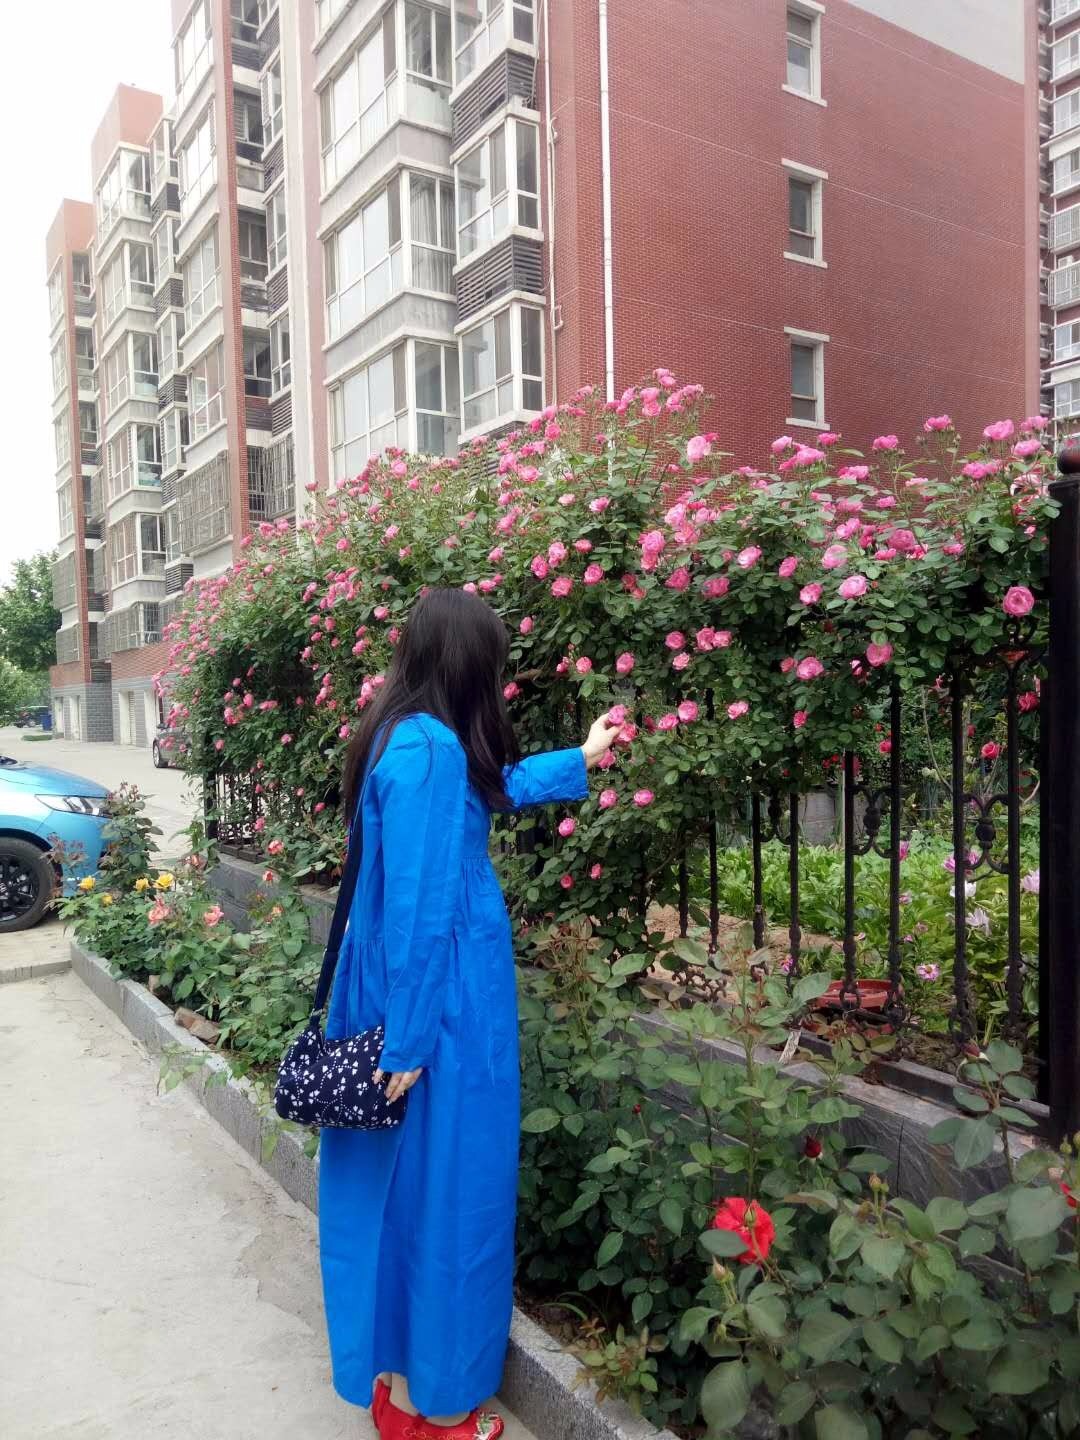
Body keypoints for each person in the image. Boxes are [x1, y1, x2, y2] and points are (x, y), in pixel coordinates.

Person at [320, 587, 620, 1440]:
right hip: (438, 1010)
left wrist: (582, 755)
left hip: (414, 998)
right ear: (469, 662)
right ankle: (437, 1411)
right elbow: (419, 910)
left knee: (399, 1191)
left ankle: (397, 1381)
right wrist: (410, 1041)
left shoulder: (408, 733)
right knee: (449, 1194)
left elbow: (485, 791)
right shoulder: (429, 750)